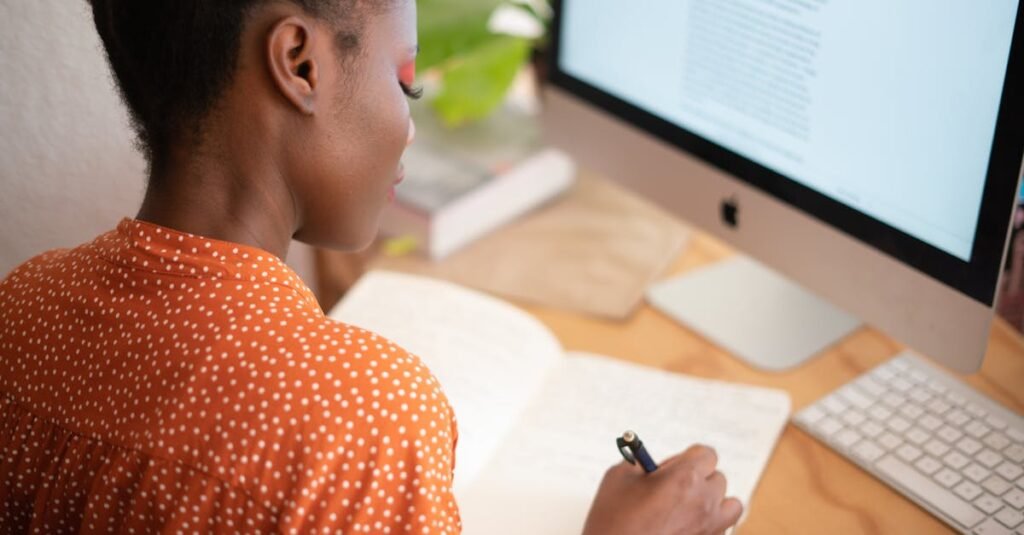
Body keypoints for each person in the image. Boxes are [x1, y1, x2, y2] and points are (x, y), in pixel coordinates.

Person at [0, 1, 743, 533]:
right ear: (300, 62)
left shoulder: (20, 308)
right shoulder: (364, 420)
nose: (409, 123)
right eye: (405, 80)